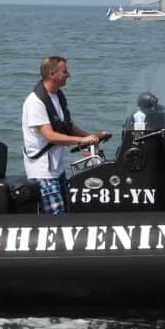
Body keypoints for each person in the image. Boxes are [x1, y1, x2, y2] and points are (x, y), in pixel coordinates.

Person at [22, 56, 108, 215]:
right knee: (56, 219)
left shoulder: (57, 96)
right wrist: (81, 140)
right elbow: (50, 136)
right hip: (43, 173)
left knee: (66, 214)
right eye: (65, 71)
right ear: (52, 74)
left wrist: (92, 136)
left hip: (57, 169)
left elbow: (67, 127)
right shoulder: (35, 102)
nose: (69, 74)